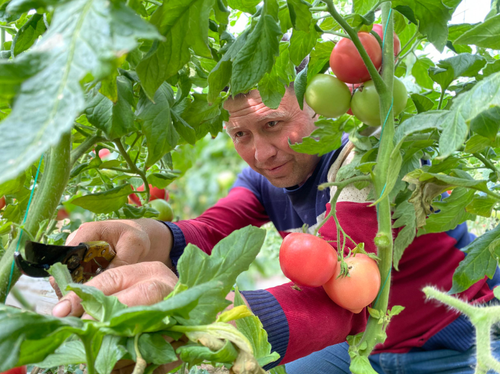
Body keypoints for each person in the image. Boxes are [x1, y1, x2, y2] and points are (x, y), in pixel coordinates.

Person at [52, 86, 500, 373]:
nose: (260, 153)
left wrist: (204, 313)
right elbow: (211, 227)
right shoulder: (267, 180)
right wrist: (145, 232)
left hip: (447, 345)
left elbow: (341, 298)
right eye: (240, 134)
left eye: (273, 125)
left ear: (321, 109)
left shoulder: (372, 166)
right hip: (354, 350)